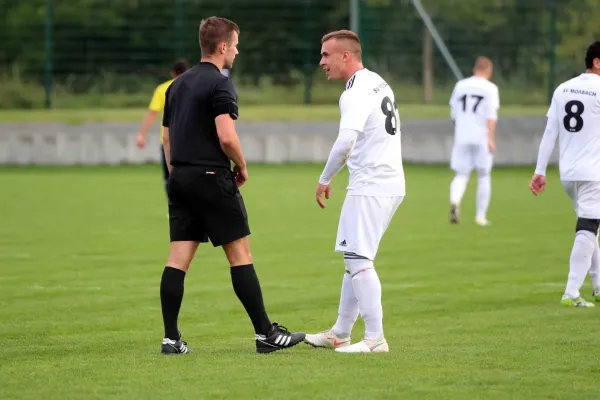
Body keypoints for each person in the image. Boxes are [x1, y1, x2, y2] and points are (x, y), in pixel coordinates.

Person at [159, 16, 305, 354]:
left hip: (179, 178)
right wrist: (241, 165)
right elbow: (226, 136)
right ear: (222, 46)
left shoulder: (176, 86)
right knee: (240, 255)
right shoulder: (220, 83)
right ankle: (266, 335)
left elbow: (166, 138)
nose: (237, 52)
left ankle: (171, 339)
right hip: (211, 177)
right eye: (236, 45)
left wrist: (178, 174)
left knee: (177, 259)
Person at [304, 30, 405, 353]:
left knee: (359, 260)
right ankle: (340, 332)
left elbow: (346, 142)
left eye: (325, 55)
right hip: (387, 182)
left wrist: (324, 178)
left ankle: (375, 339)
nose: (321, 62)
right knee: (354, 257)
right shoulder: (376, 80)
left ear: (346, 56)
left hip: (371, 185)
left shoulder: (355, 92)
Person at [530, 40, 600, 308]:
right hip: (594, 172)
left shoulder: (562, 88)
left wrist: (540, 170)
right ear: (596, 61)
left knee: (590, 228)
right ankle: (571, 292)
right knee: (588, 228)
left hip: (568, 173)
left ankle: (598, 286)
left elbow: (551, 133)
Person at [447, 57, 500, 226]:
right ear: (488, 71)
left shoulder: (460, 86)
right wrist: (491, 139)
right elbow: (491, 117)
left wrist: (458, 132)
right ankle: (480, 217)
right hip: (481, 137)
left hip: (462, 136)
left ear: (474, 69)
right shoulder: (490, 88)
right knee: (483, 175)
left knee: (461, 174)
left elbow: (453, 115)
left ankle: (455, 201)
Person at [136, 60, 189, 194]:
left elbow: (152, 114)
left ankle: (174, 209)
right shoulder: (194, 87)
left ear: (172, 73)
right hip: (190, 141)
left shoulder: (162, 89)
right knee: (190, 177)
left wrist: (142, 134)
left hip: (168, 141)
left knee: (170, 178)